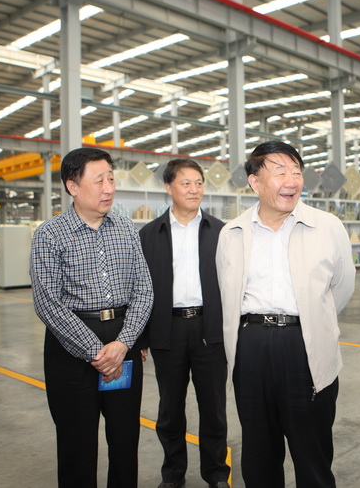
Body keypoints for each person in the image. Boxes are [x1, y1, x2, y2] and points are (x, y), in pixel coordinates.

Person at [216, 141, 355, 488]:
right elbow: (226, 292)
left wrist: (311, 321)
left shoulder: (327, 227)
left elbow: (341, 287)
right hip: (251, 347)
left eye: (296, 172)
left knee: (313, 454)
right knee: (259, 454)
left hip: (305, 347)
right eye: (280, 172)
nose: (291, 181)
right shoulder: (232, 233)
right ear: (254, 181)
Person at [30, 147, 153, 488]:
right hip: (71, 348)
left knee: (125, 438)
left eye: (111, 179)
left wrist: (123, 343)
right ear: (72, 186)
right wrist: (97, 352)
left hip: (123, 342)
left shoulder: (126, 229)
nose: (109, 188)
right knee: (77, 443)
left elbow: (144, 289)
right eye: (99, 181)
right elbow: (47, 302)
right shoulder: (50, 234)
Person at [138, 159, 230, 488]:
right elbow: (139, 288)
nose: (194, 189)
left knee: (214, 409)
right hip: (168, 331)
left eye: (199, 183)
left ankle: (216, 475)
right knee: (169, 410)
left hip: (210, 330)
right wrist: (141, 337)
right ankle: (173, 475)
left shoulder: (222, 232)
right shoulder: (149, 234)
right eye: (185, 183)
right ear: (168, 187)